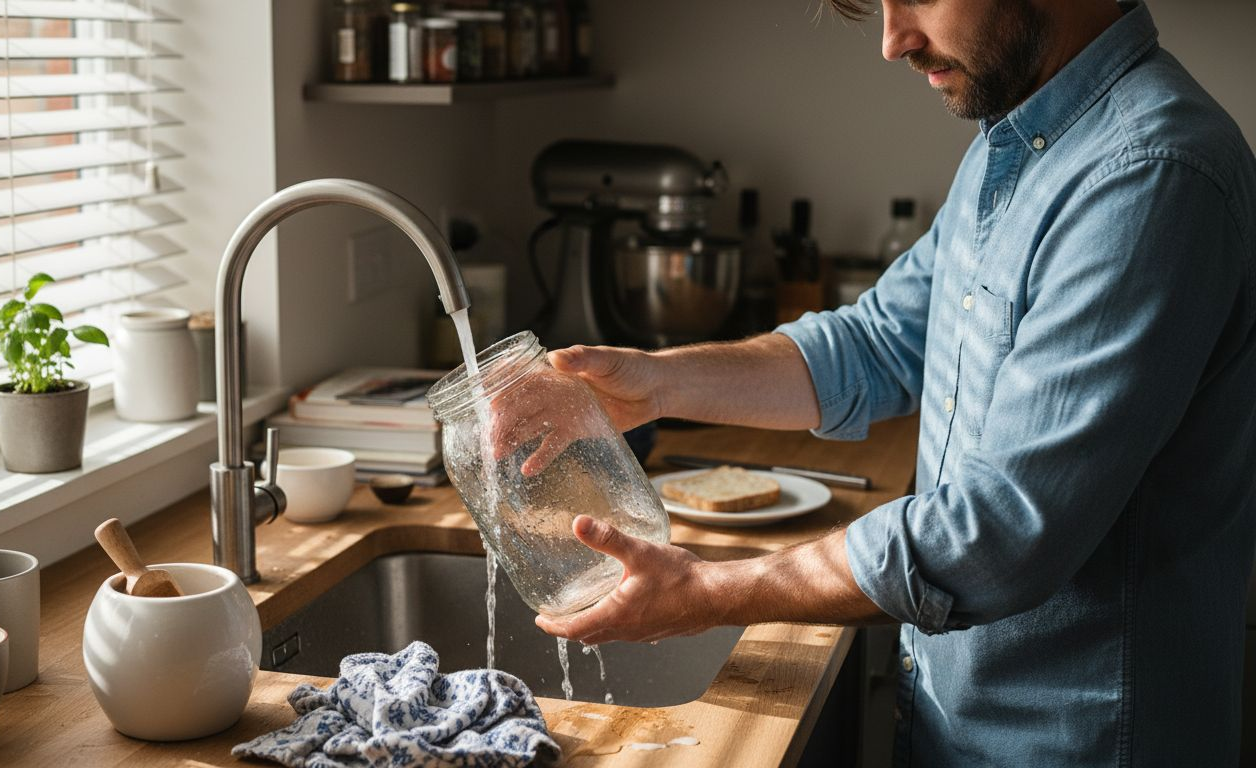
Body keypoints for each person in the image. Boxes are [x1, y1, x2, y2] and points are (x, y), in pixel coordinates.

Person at [521, 0, 1256, 764]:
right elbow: (877, 345)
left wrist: (711, 592)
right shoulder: (1022, 145)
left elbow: (998, 535)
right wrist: (654, 382)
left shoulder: (1149, 174)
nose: (892, 39)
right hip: (965, 730)